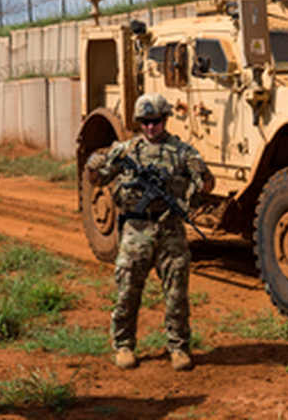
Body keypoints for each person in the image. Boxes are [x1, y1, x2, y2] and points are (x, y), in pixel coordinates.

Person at [85, 93, 214, 372]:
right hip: (136, 228)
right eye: (144, 122)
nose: (150, 128)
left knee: (176, 292)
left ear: (165, 119)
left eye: (155, 121)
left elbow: (207, 187)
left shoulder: (182, 151)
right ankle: (123, 345)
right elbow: (97, 180)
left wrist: (201, 174)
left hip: (170, 229)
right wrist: (92, 166)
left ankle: (178, 347)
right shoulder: (127, 151)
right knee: (128, 290)